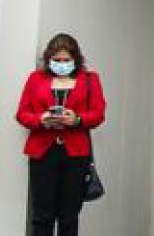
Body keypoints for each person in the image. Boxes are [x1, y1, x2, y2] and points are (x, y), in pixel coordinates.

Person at [16, 32, 107, 236]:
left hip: (75, 154)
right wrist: (41, 120)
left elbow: (98, 113)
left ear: (76, 60)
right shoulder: (36, 79)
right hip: (43, 152)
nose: (62, 64)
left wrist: (77, 120)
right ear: (49, 60)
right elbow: (22, 113)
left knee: (69, 216)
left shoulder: (90, 79)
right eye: (57, 60)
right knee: (42, 215)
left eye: (66, 60)